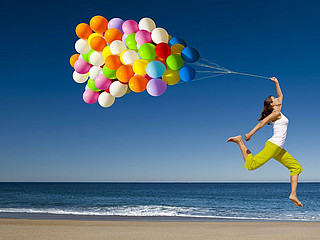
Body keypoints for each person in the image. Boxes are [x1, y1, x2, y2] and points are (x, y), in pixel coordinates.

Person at [226, 77, 303, 207]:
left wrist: (277, 82)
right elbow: (262, 123)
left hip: (278, 149)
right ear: (272, 104)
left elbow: (281, 95)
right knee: (251, 165)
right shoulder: (275, 113)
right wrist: (250, 133)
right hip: (273, 145)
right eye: (275, 99)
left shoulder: (279, 110)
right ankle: (239, 141)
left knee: (296, 167)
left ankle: (293, 194)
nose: (278, 99)